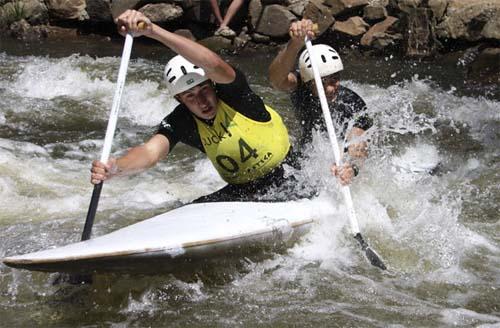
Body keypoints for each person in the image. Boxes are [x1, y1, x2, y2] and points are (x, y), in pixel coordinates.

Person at [90, 9, 302, 203]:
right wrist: (116, 168)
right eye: (190, 96)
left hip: (289, 174)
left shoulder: (235, 95)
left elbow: (214, 64)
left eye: (204, 90)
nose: (201, 101)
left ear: (212, 84)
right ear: (179, 100)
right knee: (193, 208)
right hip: (242, 189)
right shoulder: (182, 119)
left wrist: (152, 31)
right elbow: (150, 152)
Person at [268, 19, 373, 186]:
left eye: (335, 79)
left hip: (339, 154)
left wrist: (351, 168)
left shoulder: (352, 103)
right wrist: (294, 44)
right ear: (308, 81)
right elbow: (275, 80)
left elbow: (358, 146)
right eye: (323, 82)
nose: (331, 89)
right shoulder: (301, 85)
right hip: (307, 153)